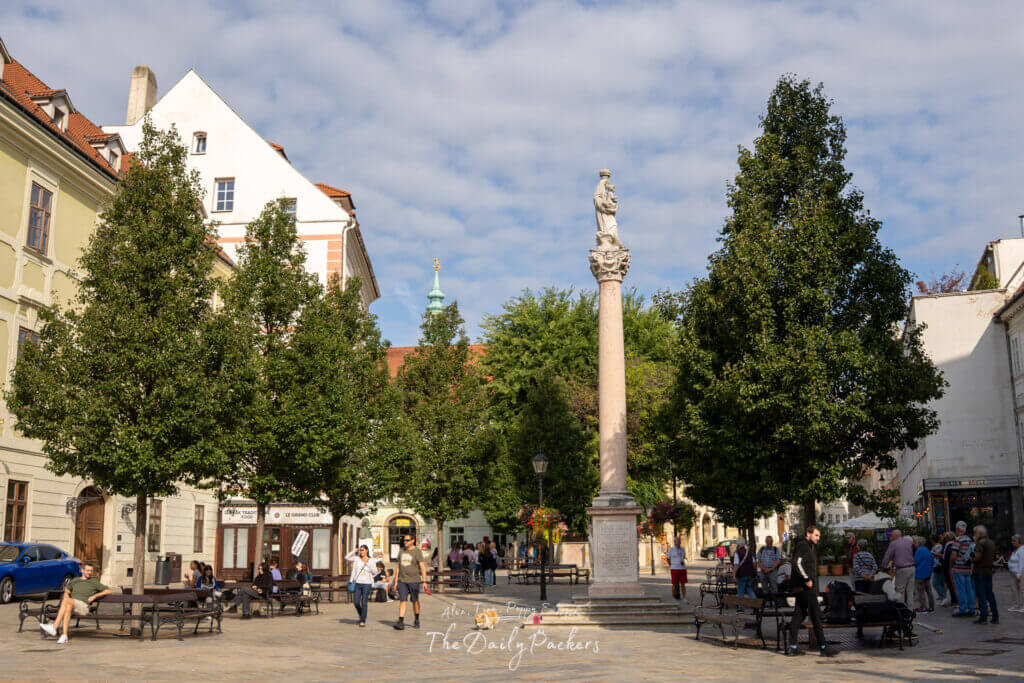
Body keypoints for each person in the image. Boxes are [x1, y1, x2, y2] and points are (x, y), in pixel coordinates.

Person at [787, 526, 837, 657]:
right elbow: (796, 563)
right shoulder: (803, 545)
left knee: (799, 615)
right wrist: (807, 579)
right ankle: (823, 647)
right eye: (816, 535)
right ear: (808, 534)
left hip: (801, 589)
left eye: (819, 536)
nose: (818, 538)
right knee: (816, 617)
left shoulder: (806, 546)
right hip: (806, 589)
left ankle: (792, 647)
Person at [39, 562, 110, 644]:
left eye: (91, 571)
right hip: (72, 605)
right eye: (87, 570)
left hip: (84, 607)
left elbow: (108, 591)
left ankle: (54, 626)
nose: (89, 572)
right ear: (82, 570)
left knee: (67, 601)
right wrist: (66, 595)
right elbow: (67, 591)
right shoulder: (75, 580)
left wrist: (95, 596)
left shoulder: (93, 581)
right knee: (67, 608)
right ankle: (64, 636)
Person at [391, 534, 428, 630]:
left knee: (415, 601)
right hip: (402, 580)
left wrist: (424, 581)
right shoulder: (402, 551)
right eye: (404, 540)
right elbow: (398, 566)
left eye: (407, 540)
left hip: (414, 580)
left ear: (412, 540)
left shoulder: (417, 552)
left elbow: (422, 567)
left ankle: (416, 618)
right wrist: (395, 581)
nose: (405, 542)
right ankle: (400, 621)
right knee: (402, 600)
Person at [972, 525, 999, 624]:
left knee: (981, 595)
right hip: (989, 571)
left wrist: (971, 558)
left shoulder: (980, 543)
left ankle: (983, 617)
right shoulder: (991, 542)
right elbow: (996, 556)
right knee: (990, 594)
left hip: (980, 572)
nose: (974, 535)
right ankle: (995, 617)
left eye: (975, 533)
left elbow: (977, 557)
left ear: (980, 533)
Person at [346, 543, 378, 627]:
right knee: (356, 602)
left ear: (367, 550)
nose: (361, 552)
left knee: (364, 602)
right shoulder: (357, 559)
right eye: (360, 550)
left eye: (363, 550)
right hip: (357, 583)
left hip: (367, 584)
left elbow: (375, 572)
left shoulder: (371, 560)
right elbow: (347, 557)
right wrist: (354, 550)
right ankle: (361, 614)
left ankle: (363, 620)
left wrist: (369, 565)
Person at [881, 529, 915, 605]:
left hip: (902, 569)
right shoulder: (908, 542)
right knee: (910, 591)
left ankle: (901, 611)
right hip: (912, 568)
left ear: (895, 536)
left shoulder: (893, 543)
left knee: (900, 591)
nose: (891, 537)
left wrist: (883, 567)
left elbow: (887, 556)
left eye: (892, 535)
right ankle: (910, 610)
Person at [951, 521, 976, 617]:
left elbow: (953, 556)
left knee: (961, 589)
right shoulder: (970, 540)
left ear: (957, 529)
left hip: (958, 568)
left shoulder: (958, 540)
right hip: (968, 568)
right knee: (969, 589)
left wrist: (951, 565)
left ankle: (962, 609)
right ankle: (971, 608)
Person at [912, 536, 934, 613]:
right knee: (929, 590)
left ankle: (923, 607)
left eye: (916, 542)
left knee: (921, 591)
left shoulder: (919, 550)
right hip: (928, 572)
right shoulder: (927, 550)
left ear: (919, 543)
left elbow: (915, 562)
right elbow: (932, 560)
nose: (914, 544)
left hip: (920, 573)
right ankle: (931, 606)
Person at [733, 540, 757, 606]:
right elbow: (754, 563)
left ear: (738, 544)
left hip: (741, 574)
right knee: (749, 589)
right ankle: (755, 605)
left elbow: (736, 565)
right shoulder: (749, 552)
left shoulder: (737, 553)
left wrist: (734, 575)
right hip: (749, 574)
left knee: (741, 591)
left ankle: (741, 608)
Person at [664, 536, 687, 600]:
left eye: (680, 541)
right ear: (675, 542)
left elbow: (683, 556)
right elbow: (668, 558)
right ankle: (673, 597)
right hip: (675, 569)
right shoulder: (671, 549)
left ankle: (684, 597)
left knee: (683, 584)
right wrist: (671, 565)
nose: (679, 542)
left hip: (682, 569)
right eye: (678, 541)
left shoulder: (682, 549)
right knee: (674, 584)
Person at [930, 534, 949, 606]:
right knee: (940, 583)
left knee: (935, 583)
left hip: (939, 566)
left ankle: (944, 597)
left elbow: (941, 555)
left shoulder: (939, 546)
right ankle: (943, 598)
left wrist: (933, 553)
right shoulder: (938, 546)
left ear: (932, 540)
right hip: (937, 566)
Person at [942, 531, 959, 608]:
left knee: (951, 585)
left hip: (949, 568)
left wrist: (949, 568)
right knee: (953, 585)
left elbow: (948, 559)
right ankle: (955, 600)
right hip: (953, 567)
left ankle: (955, 601)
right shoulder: (954, 544)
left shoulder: (948, 546)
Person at [1008, 534, 1024, 613]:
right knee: (1014, 589)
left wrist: (1019, 574)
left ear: (1019, 541)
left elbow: (1022, 562)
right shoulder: (1016, 549)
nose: (1012, 542)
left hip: (1020, 572)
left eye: (1014, 541)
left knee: (1022, 589)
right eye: (1012, 541)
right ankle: (1016, 605)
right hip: (1013, 573)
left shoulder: (1022, 550)